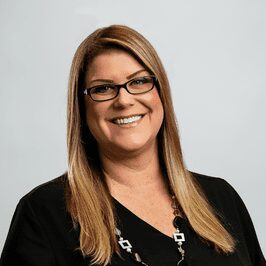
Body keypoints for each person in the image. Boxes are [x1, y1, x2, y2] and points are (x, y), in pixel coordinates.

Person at [0, 25, 265, 266]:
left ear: (160, 93)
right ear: (82, 108)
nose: (124, 100)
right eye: (103, 88)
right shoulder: (43, 213)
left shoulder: (220, 198)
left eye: (138, 81)